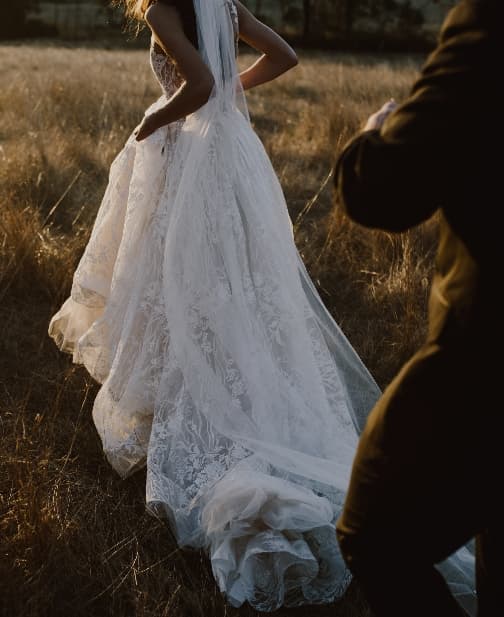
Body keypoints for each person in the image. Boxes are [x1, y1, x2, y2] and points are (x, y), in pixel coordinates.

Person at [48, 0, 383, 610]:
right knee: (233, 283)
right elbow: (284, 55)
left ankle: (187, 398)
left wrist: (153, 123)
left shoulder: (163, 9)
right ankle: (227, 378)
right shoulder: (226, 3)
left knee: (181, 281)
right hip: (234, 148)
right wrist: (235, 87)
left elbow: (197, 84)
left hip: (189, 148)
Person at [333, 1, 502, 615]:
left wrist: (375, 131)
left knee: (374, 532)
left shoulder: (490, 19)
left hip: (486, 360)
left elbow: (386, 188)